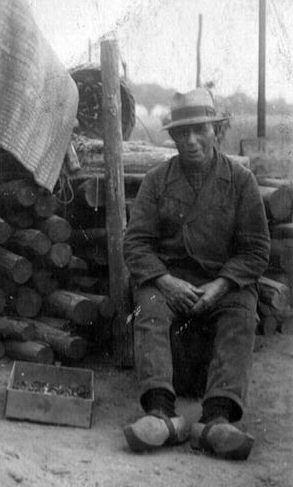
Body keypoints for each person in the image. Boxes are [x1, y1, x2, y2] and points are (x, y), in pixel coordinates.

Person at [122, 88, 270, 460]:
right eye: (181, 133)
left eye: (199, 130)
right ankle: (161, 413)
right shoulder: (157, 180)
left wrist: (221, 285)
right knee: (147, 306)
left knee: (242, 311)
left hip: (223, 282)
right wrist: (165, 281)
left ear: (216, 131)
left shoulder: (240, 181)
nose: (190, 140)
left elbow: (255, 250)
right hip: (169, 280)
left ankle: (217, 418)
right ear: (172, 137)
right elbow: (135, 244)